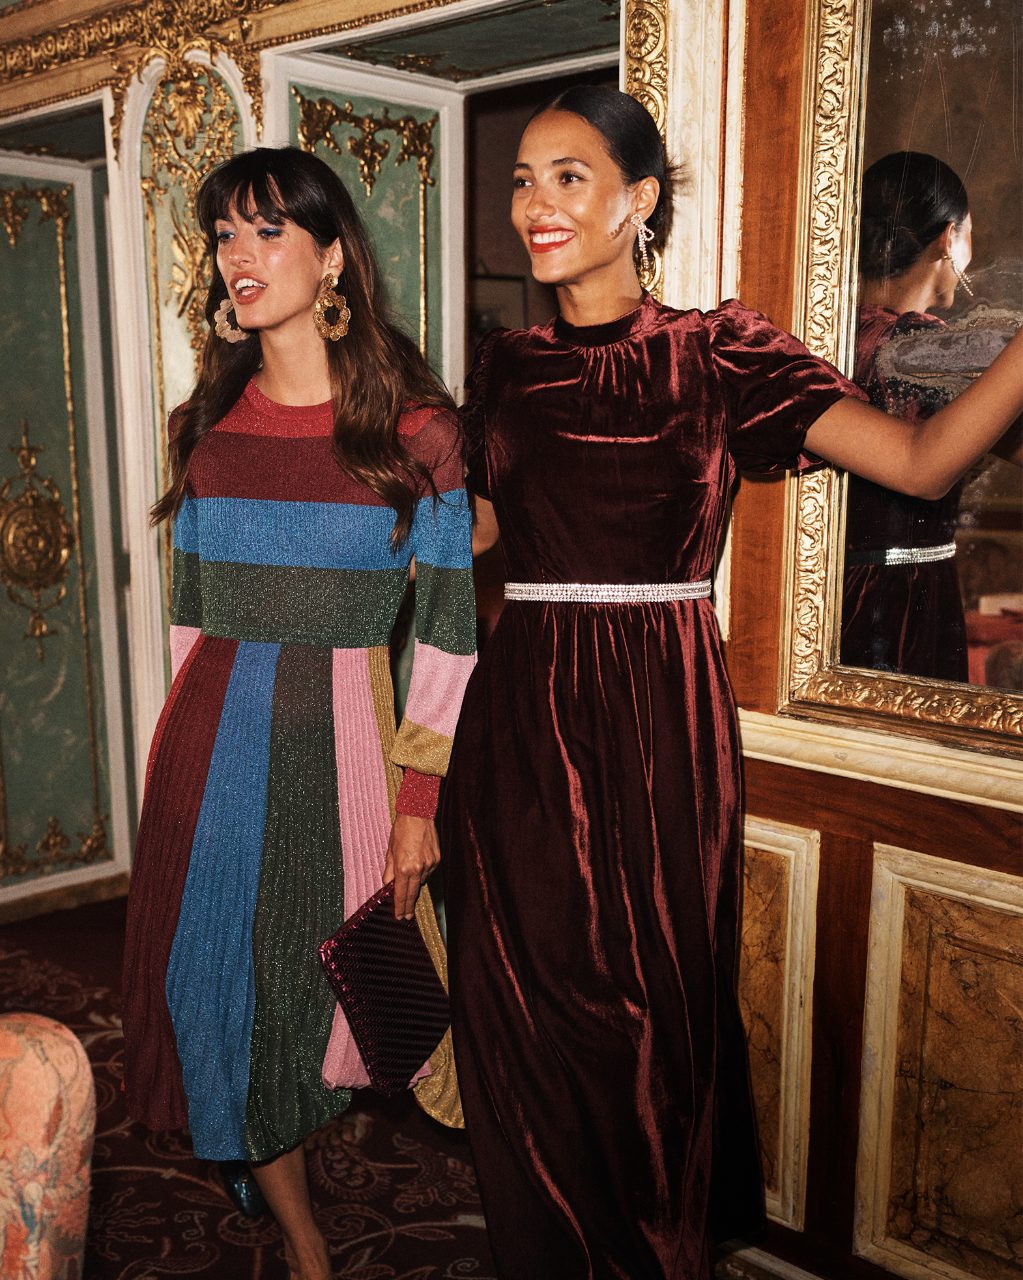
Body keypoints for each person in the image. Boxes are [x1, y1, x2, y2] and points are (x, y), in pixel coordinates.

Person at [439, 86, 1023, 1280]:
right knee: (524, 1021)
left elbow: (921, 457)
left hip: (657, 724)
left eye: (567, 176)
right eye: (522, 181)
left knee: (648, 1029)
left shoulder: (716, 351)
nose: (535, 206)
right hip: (516, 727)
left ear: (639, 199)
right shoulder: (501, 367)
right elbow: (472, 546)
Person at [121, 146, 476, 1280]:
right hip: (209, 746)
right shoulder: (206, 430)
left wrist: (417, 800)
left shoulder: (418, 435)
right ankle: (307, 1242)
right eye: (224, 233)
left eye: (268, 230)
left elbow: (449, 632)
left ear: (331, 259)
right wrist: (168, 778)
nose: (239, 257)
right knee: (212, 988)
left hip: (350, 748)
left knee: (327, 993)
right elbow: (189, 625)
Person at [841, 150, 1011, 680]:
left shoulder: (828, 333)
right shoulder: (936, 353)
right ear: (947, 238)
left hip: (826, 593)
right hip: (910, 600)